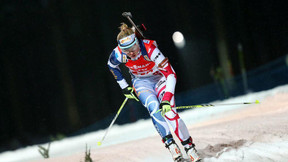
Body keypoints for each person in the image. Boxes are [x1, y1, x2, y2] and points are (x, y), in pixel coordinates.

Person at [107, 23, 201, 162]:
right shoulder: (118, 53)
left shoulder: (149, 49)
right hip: (141, 82)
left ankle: (189, 147)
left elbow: (170, 74)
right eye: (126, 50)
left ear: (137, 42)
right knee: (154, 107)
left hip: (160, 78)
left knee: (169, 112)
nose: (131, 53)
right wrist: (124, 87)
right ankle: (171, 145)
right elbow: (111, 65)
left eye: (133, 47)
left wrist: (166, 98)